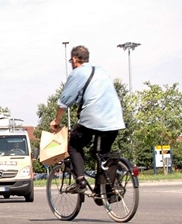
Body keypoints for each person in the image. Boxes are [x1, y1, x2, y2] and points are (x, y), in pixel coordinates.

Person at [50, 45, 125, 194]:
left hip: (94, 118)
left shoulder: (78, 73)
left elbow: (63, 102)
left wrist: (56, 121)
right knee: (101, 154)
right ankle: (103, 190)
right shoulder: (102, 71)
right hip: (115, 119)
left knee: (74, 145)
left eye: (71, 60)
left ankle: (81, 182)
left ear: (75, 59)